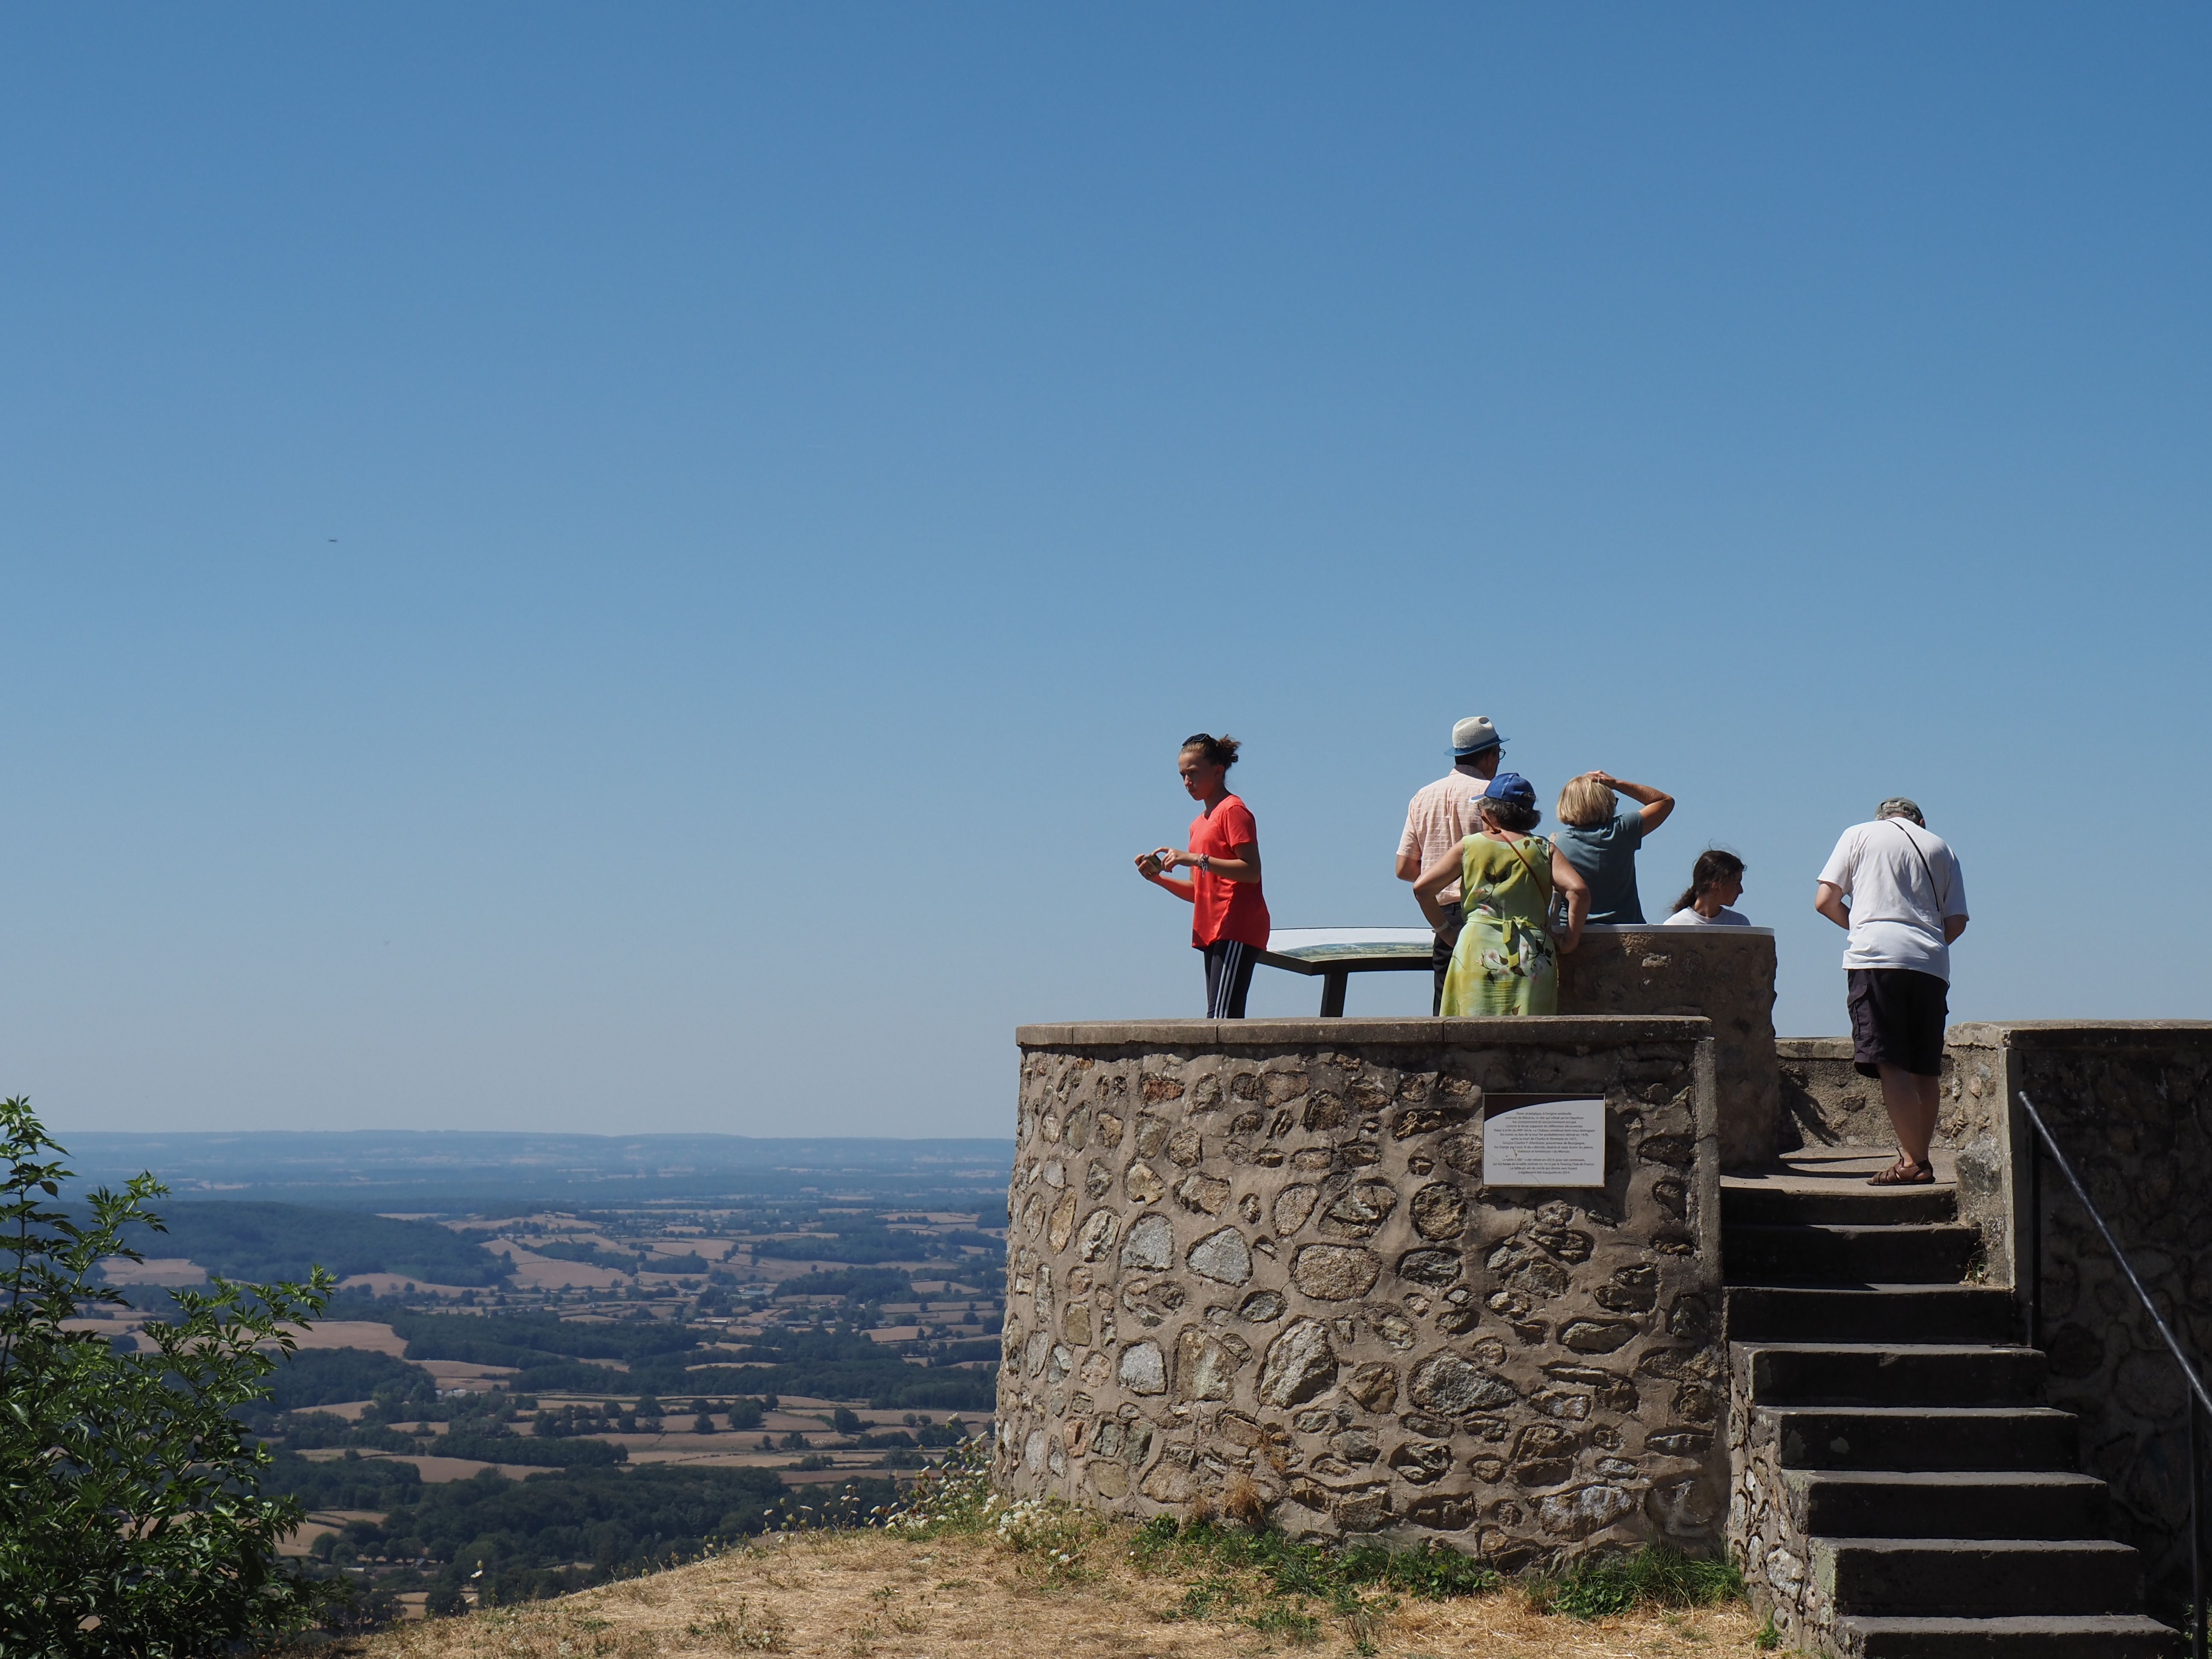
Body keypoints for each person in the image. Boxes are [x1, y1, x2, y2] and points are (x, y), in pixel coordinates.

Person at [1813, 797, 1969, 1187]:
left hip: (1876, 957)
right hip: (1931, 963)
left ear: (1881, 818)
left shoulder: (1858, 834)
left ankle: (1915, 1164)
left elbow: (1826, 901)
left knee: (1891, 1063)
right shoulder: (1941, 846)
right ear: (1920, 820)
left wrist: (1863, 929)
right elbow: (1957, 921)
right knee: (1924, 1068)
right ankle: (1917, 1158)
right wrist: (1926, 943)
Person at [1413, 772, 1589, 1016]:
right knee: (1527, 1038)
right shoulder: (1544, 849)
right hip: (1532, 951)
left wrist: (1446, 932)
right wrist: (1569, 941)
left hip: (1476, 948)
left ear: (1492, 813)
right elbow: (1578, 890)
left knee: (1470, 1035)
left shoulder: (1470, 846)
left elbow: (1422, 888)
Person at [1134, 733, 1272, 1019]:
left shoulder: (1233, 811)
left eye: (1193, 774)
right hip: (1212, 927)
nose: (1187, 782)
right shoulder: (1198, 825)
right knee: (1220, 1015)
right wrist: (1158, 879)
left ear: (1218, 771)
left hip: (1236, 924)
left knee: (1222, 1017)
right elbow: (1199, 892)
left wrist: (1196, 859)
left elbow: (1252, 870)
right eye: (1183, 775)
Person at [1395, 716, 1505, 1014]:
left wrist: (1440, 876)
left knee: (1446, 1008)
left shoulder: (1423, 797)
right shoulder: (1496, 796)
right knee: (1495, 1004)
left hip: (1442, 916)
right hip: (1491, 913)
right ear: (1491, 755)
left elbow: (1405, 868)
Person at [1551, 771, 1674, 925]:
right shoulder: (1623, 829)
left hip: (1575, 932)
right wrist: (1616, 783)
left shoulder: (1557, 842)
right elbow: (1665, 801)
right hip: (1627, 929)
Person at [1662, 850, 1750, 926]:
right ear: (1716, 886)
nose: (1741, 890)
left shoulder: (1740, 924)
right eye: (1737, 883)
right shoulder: (1676, 925)